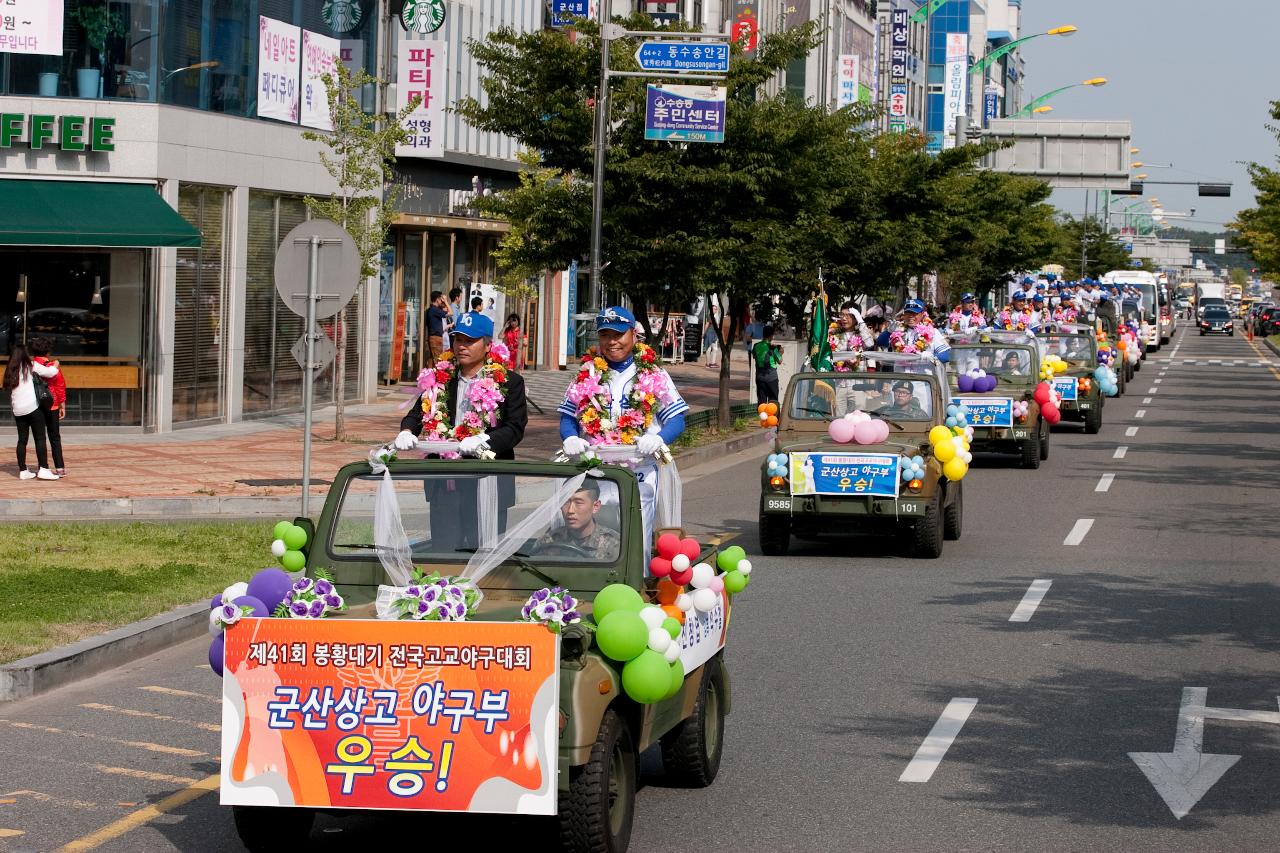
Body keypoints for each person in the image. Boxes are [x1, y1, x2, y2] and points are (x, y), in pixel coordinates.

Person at [558, 306, 688, 554]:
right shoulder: (587, 373)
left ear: (633, 334)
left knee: (635, 544)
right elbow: (567, 416)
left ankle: (635, 588)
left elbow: (677, 419)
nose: (612, 342)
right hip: (596, 473)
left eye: (618, 335)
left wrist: (659, 438)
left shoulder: (653, 372)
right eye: (605, 335)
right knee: (589, 543)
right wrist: (571, 437)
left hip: (638, 473)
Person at [4, 344, 60, 480]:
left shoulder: (10, 369)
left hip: (18, 410)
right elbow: (52, 373)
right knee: (40, 438)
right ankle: (44, 469)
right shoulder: (31, 365)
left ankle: (23, 470)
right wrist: (56, 364)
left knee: (22, 440)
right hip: (33, 408)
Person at [535, 479, 621, 560]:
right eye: (565, 502)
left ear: (595, 506)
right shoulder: (549, 541)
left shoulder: (614, 545)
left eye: (578, 503)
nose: (570, 510)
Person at [28, 337, 66, 476]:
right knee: (54, 436)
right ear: (48, 351)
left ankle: (42, 467)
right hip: (52, 404)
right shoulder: (52, 366)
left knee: (39, 437)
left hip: (35, 404)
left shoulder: (30, 365)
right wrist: (62, 404)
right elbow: (60, 385)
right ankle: (60, 467)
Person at [751, 324, 782, 404]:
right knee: (773, 401)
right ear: (771, 336)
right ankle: (773, 416)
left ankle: (762, 416)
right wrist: (780, 353)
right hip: (771, 377)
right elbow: (780, 361)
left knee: (762, 401)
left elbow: (754, 356)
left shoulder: (756, 346)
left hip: (759, 377)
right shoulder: (772, 347)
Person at [426, 291, 450, 362]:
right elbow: (451, 313)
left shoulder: (430, 310)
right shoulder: (435, 310)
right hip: (436, 338)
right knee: (438, 361)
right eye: (440, 299)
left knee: (433, 360)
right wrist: (446, 301)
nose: (441, 301)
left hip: (433, 337)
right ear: (437, 299)